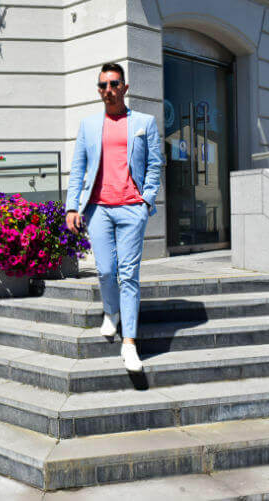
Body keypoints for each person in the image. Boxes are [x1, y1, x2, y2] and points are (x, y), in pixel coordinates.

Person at [65, 62, 163, 372]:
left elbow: (155, 165)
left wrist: (146, 201)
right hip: (98, 209)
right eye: (103, 85)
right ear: (99, 90)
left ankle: (130, 343)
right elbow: (79, 168)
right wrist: (71, 207)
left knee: (129, 275)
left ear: (125, 87)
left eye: (114, 83)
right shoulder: (89, 125)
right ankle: (111, 311)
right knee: (106, 271)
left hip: (132, 208)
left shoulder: (144, 122)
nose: (109, 90)